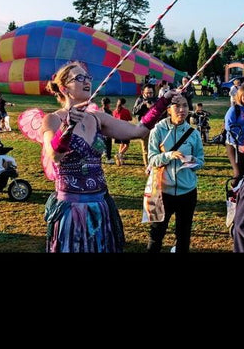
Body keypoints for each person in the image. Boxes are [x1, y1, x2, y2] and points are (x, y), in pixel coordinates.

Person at [39, 61, 177, 252]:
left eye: (87, 77)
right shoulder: (52, 119)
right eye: (79, 78)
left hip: (100, 205)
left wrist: (163, 102)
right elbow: (54, 155)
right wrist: (67, 127)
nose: (86, 81)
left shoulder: (98, 118)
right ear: (64, 88)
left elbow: (138, 131)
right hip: (71, 210)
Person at [146, 94, 205, 253]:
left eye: (185, 105)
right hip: (162, 192)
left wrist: (192, 162)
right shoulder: (158, 130)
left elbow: (201, 161)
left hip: (188, 192)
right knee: (156, 235)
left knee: (184, 235)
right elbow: (151, 159)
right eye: (177, 105)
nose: (182, 109)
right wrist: (168, 155)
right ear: (168, 109)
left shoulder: (193, 134)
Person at [224, 85, 244, 183]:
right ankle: (233, 194)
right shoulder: (234, 109)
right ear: (239, 96)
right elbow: (229, 127)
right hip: (234, 144)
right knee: (238, 174)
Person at [132, 84, 157, 167]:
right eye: (147, 93)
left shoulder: (156, 100)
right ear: (143, 92)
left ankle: (155, 163)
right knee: (145, 147)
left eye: (151, 93)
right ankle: (147, 165)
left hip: (155, 127)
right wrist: (143, 104)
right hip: (143, 127)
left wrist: (153, 108)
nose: (149, 95)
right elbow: (134, 112)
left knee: (156, 146)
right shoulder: (139, 99)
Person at [112, 97, 133, 165]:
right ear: (124, 103)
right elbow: (130, 119)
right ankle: (119, 154)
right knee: (126, 145)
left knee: (121, 144)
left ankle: (120, 160)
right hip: (125, 129)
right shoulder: (125, 111)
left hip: (117, 130)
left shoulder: (114, 111)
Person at [100, 97, 114, 164]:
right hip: (107, 131)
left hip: (101, 131)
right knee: (109, 145)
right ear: (108, 104)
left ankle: (104, 153)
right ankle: (108, 158)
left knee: (102, 143)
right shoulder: (108, 112)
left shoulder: (100, 110)